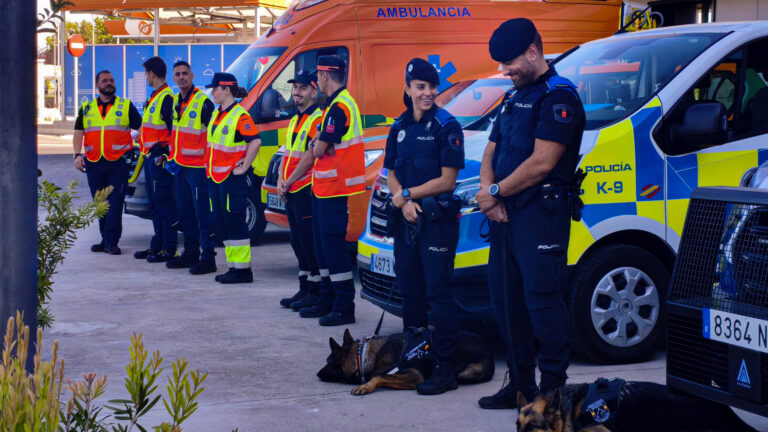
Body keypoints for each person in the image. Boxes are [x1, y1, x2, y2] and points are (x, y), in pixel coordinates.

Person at [475, 18, 585, 408]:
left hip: (541, 216)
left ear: (534, 52)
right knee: (507, 302)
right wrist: (493, 196)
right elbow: (491, 151)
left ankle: (552, 392)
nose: (504, 72)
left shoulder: (559, 97)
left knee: (542, 303)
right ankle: (520, 387)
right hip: (506, 216)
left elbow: (542, 163)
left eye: (509, 63)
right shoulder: (511, 98)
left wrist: (493, 193)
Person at [385, 58, 465, 395]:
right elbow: (391, 171)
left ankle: (446, 368)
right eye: (420, 87)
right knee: (411, 293)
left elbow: (448, 180)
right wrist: (403, 201)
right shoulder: (398, 126)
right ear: (408, 89)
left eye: (432, 87)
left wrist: (407, 195)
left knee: (438, 294)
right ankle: (416, 360)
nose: (428, 93)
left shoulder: (447, 126)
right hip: (407, 221)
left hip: (437, 223)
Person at [298, 55, 366, 326]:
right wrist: (317, 143)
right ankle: (327, 299)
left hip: (336, 190)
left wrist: (317, 143)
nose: (316, 79)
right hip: (325, 189)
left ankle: (343, 306)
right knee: (323, 249)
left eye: (318, 75)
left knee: (334, 250)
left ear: (325, 76)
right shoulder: (335, 105)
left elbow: (319, 148)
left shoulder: (340, 107)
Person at [73, 70, 142, 255]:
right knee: (100, 202)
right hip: (94, 162)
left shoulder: (125, 106)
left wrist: (141, 141)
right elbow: (78, 132)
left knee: (116, 201)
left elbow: (142, 128)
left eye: (111, 80)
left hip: (118, 162)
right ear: (97, 86)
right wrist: (76, 155)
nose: (109, 83)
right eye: (104, 81)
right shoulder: (87, 108)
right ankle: (104, 239)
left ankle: (112, 241)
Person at [205, 73, 262, 283]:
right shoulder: (217, 114)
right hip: (216, 178)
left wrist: (244, 167)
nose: (213, 92)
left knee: (235, 222)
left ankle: (243, 270)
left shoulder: (240, 115)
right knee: (222, 223)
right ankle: (233, 267)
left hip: (230, 179)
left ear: (227, 89)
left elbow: (255, 142)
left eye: (215, 89)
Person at [277, 70, 324, 310]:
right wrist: (279, 179)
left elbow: (308, 157)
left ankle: (315, 292)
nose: (297, 92)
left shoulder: (317, 119)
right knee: (297, 241)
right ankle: (304, 288)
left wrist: (289, 181)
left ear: (314, 91)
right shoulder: (296, 119)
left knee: (308, 242)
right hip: (292, 188)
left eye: (303, 88)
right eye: (295, 87)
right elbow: (288, 153)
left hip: (305, 188)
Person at [165, 61, 218, 275]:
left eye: (185, 73)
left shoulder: (203, 102)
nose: (181, 77)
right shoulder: (176, 100)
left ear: (192, 75)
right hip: (180, 167)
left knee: (202, 214)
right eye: (177, 74)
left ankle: (208, 257)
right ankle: (190, 252)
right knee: (185, 213)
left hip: (198, 168)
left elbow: (212, 134)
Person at [134, 56, 179, 263]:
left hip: (160, 158)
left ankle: (168, 248)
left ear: (152, 74)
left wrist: (166, 157)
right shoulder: (155, 97)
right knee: (155, 204)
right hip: (151, 156)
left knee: (164, 204)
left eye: (146, 74)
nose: (146, 77)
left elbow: (173, 131)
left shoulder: (167, 98)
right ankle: (158, 245)